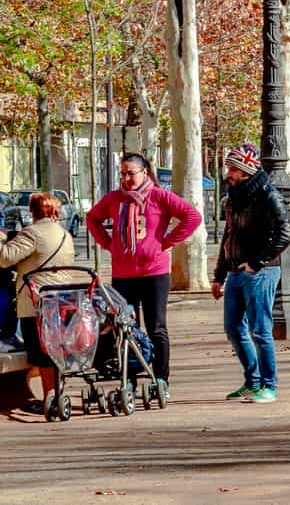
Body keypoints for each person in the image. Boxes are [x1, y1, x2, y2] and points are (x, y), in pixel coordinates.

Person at [85, 152, 202, 398]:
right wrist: (109, 243)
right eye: (123, 173)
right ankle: (129, 379)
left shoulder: (159, 197)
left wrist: (168, 241)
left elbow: (192, 217)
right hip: (123, 275)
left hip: (154, 273)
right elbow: (92, 218)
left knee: (156, 327)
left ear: (145, 172)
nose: (127, 178)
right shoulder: (114, 199)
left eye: (131, 173)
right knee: (126, 328)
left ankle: (161, 378)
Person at [212, 144, 290, 404]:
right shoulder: (234, 196)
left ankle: (268, 385)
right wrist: (219, 275)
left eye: (233, 169)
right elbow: (229, 236)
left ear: (246, 170)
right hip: (236, 270)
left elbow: (285, 233)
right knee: (233, 328)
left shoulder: (268, 195)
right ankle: (252, 381)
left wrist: (257, 262)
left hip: (260, 271)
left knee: (260, 329)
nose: (229, 173)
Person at [1, 193, 82, 412]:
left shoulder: (32, 233)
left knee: (40, 352)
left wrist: (1, 237)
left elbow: (4, 257)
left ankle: (50, 397)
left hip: (35, 302)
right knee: (55, 349)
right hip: (61, 300)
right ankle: (56, 393)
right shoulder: (65, 235)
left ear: (34, 211)